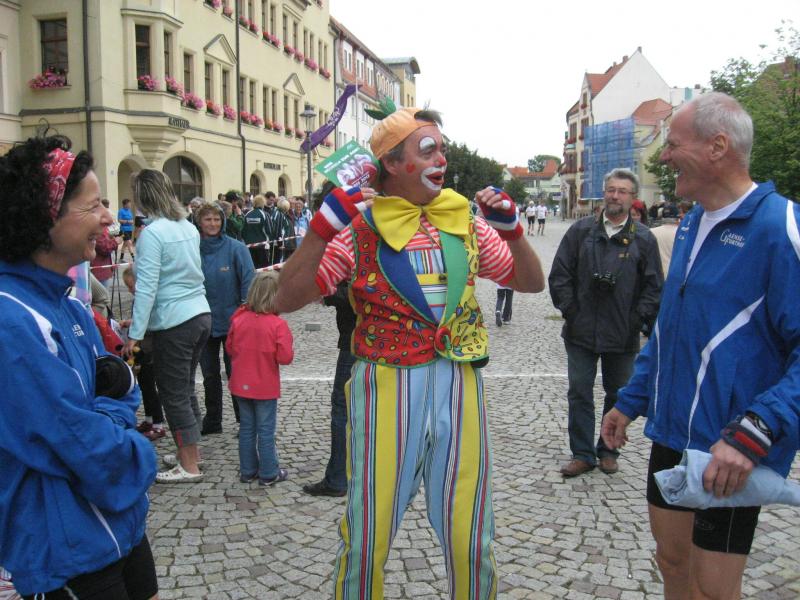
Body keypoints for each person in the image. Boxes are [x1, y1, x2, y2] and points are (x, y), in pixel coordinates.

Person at [273, 105, 545, 598]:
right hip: (386, 384)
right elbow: (285, 298)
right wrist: (320, 229)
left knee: (471, 533)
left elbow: (529, 282)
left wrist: (513, 231)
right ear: (393, 164)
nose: (442, 159)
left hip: (460, 381)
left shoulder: (465, 221)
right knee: (367, 533)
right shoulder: (358, 228)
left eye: (443, 149)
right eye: (429, 150)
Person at [601, 92, 800, 600]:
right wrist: (631, 399)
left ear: (717, 146)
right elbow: (671, 327)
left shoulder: (780, 228)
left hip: (729, 445)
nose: (665, 156)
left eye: (674, 144)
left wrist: (755, 432)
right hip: (672, 432)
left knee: (713, 589)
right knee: (671, 561)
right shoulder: (690, 223)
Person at [0, 133, 158, 599]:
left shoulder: (67, 304)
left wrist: (103, 412)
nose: (108, 217)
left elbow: (123, 391)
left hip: (122, 525)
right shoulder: (12, 319)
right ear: (45, 216)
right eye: (93, 206)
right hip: (65, 546)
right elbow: (78, 442)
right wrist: (139, 451)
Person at [549, 167, 663, 478]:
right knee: (579, 392)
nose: (615, 196)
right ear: (604, 193)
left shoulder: (644, 238)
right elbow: (560, 275)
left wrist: (637, 319)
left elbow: (654, 287)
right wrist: (571, 310)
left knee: (618, 394)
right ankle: (582, 453)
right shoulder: (581, 231)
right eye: (611, 190)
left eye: (622, 191)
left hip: (622, 333)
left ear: (632, 198)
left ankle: (609, 450)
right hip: (580, 330)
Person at [123, 169, 211, 484]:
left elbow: (146, 288)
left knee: (173, 394)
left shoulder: (152, 234)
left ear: (142, 197)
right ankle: (192, 453)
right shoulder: (186, 226)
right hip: (199, 313)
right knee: (185, 389)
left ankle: (189, 465)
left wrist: (135, 334)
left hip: (174, 321)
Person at [226, 271, 294, 485]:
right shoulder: (277, 325)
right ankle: (269, 472)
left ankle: (248, 470)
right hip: (264, 386)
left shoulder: (238, 319)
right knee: (265, 431)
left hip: (240, 384)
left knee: (247, 428)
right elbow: (285, 357)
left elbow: (230, 348)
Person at [196, 202, 255, 435]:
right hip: (203, 321)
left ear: (223, 221)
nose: (212, 224)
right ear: (199, 222)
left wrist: (245, 313)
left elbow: (248, 281)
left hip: (233, 322)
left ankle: (245, 421)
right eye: (207, 219)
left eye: (216, 219)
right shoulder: (193, 249)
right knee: (209, 374)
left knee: (236, 373)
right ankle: (213, 419)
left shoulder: (236, 248)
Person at [121, 265, 167, 442]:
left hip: (150, 348)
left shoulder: (149, 298)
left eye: (131, 286)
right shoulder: (139, 299)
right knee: (145, 386)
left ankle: (158, 424)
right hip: (141, 348)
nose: (130, 290)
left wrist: (132, 323)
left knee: (151, 388)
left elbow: (147, 320)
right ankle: (149, 419)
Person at [648, 200, 692, 276]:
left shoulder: (650, 232)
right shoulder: (684, 233)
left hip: (655, 274)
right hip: (675, 274)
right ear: (678, 216)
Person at [242, 194, 270, 269]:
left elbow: (243, 230)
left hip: (249, 245)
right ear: (263, 203)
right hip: (262, 245)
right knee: (263, 268)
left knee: (252, 266)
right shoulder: (264, 214)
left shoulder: (247, 214)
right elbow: (269, 230)